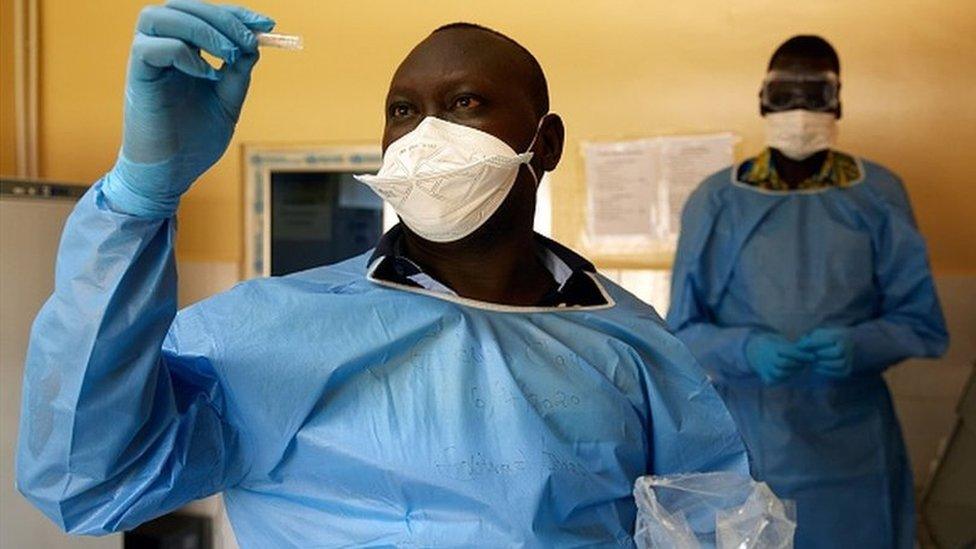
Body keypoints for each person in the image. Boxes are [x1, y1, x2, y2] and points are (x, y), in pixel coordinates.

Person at [16, 1, 748, 545]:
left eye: (464, 104)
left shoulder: (629, 343)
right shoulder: (272, 329)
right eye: (403, 111)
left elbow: (708, 523)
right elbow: (87, 480)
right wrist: (142, 196)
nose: (427, 134)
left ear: (544, 142)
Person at [667, 35, 948, 548]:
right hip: (747, 434)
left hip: (854, 448)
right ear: (762, 99)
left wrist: (860, 346)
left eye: (815, 93)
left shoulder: (878, 195)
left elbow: (920, 323)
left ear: (838, 101)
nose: (798, 108)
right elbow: (680, 331)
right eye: (784, 93)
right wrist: (745, 349)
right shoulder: (717, 200)